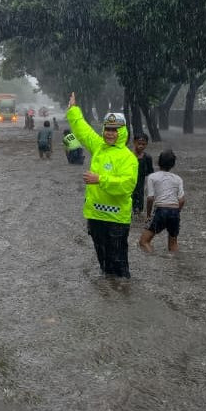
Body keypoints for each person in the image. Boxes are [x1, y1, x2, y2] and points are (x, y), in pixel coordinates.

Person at [67, 92, 137, 279]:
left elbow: (127, 185)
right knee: (104, 266)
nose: (110, 133)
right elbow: (83, 131)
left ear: (122, 132)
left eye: (114, 130)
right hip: (96, 217)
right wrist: (73, 110)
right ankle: (109, 298)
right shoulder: (99, 147)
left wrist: (100, 180)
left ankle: (122, 301)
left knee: (119, 269)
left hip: (116, 221)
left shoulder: (128, 158)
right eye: (107, 129)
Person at [139, 149, 185, 253]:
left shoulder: (152, 177)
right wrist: (175, 213)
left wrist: (148, 215)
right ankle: (175, 264)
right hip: (174, 211)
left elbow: (150, 198)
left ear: (158, 162)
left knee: (144, 242)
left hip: (161, 210)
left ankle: (154, 259)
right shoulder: (178, 178)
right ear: (173, 164)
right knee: (173, 245)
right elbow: (182, 201)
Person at [131, 134, 154, 216]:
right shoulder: (129, 156)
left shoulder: (147, 157)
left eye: (143, 144)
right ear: (134, 142)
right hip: (129, 180)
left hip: (141, 181)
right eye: (139, 143)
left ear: (146, 144)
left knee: (140, 195)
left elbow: (151, 173)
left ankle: (138, 211)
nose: (141, 146)